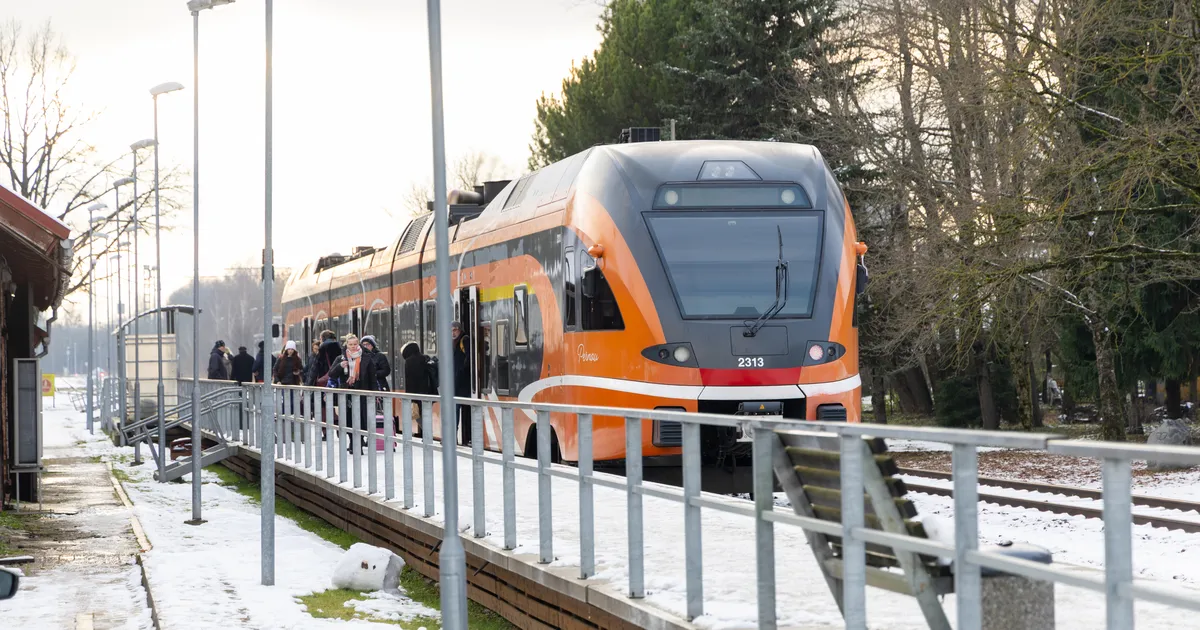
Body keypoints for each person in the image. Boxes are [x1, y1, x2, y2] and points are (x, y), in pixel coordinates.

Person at [328, 334, 377, 450]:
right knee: (348, 418)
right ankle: (353, 442)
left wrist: (375, 393)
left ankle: (359, 440)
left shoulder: (366, 358)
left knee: (362, 418)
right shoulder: (341, 358)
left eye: (355, 344)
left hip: (363, 392)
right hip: (347, 394)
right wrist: (340, 366)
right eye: (350, 344)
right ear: (347, 345)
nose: (353, 346)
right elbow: (331, 374)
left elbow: (372, 378)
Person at [401, 341, 433, 434]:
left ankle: (427, 434)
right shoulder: (425, 358)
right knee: (425, 414)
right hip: (429, 392)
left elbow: (409, 381)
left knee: (418, 416)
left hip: (416, 394)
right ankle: (427, 435)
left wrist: (410, 398)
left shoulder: (409, 361)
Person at [451, 321, 471, 446]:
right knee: (456, 409)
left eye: (455, 330)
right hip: (457, 382)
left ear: (459, 330)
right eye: (451, 330)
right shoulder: (455, 342)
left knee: (458, 408)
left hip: (463, 382)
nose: (453, 333)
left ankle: (464, 437)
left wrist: (461, 371)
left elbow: (469, 358)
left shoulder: (464, 340)